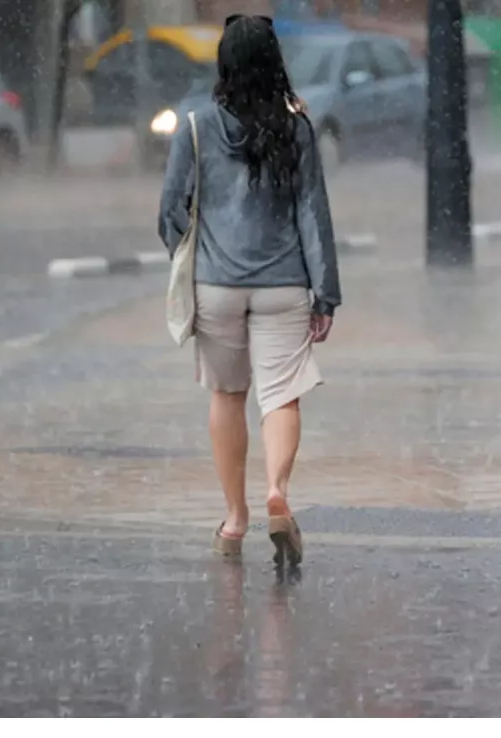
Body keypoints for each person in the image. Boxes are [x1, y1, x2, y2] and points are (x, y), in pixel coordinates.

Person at [158, 14, 341, 566]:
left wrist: (192, 258)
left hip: (217, 285)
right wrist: (324, 291)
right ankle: (277, 493)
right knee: (281, 395)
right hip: (285, 283)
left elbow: (170, 210)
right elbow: (313, 213)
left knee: (226, 396)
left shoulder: (194, 127)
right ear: (274, 61)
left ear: (224, 63)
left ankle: (235, 520)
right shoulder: (298, 128)